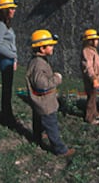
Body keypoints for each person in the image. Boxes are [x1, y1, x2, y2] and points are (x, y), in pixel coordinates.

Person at [26, 29, 75, 157]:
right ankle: (60, 150)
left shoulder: (39, 61)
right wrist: (56, 78)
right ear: (42, 49)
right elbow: (42, 85)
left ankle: (36, 138)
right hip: (45, 103)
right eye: (50, 45)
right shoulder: (38, 65)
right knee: (52, 126)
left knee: (38, 119)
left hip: (40, 103)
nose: (53, 47)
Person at [0, 0, 18, 126]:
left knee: (8, 89)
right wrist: (13, 56)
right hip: (5, 61)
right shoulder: (0, 25)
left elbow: (10, 45)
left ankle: (7, 115)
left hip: (9, 60)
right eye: (12, 8)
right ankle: (7, 118)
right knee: (7, 90)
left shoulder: (7, 25)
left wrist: (15, 58)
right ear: (6, 10)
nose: (14, 11)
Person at [80, 29, 99, 125]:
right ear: (90, 41)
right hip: (91, 79)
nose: (97, 41)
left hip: (94, 78)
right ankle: (89, 118)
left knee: (94, 96)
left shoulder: (91, 50)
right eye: (95, 39)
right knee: (91, 98)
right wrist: (94, 79)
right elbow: (88, 66)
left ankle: (95, 113)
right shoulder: (87, 51)